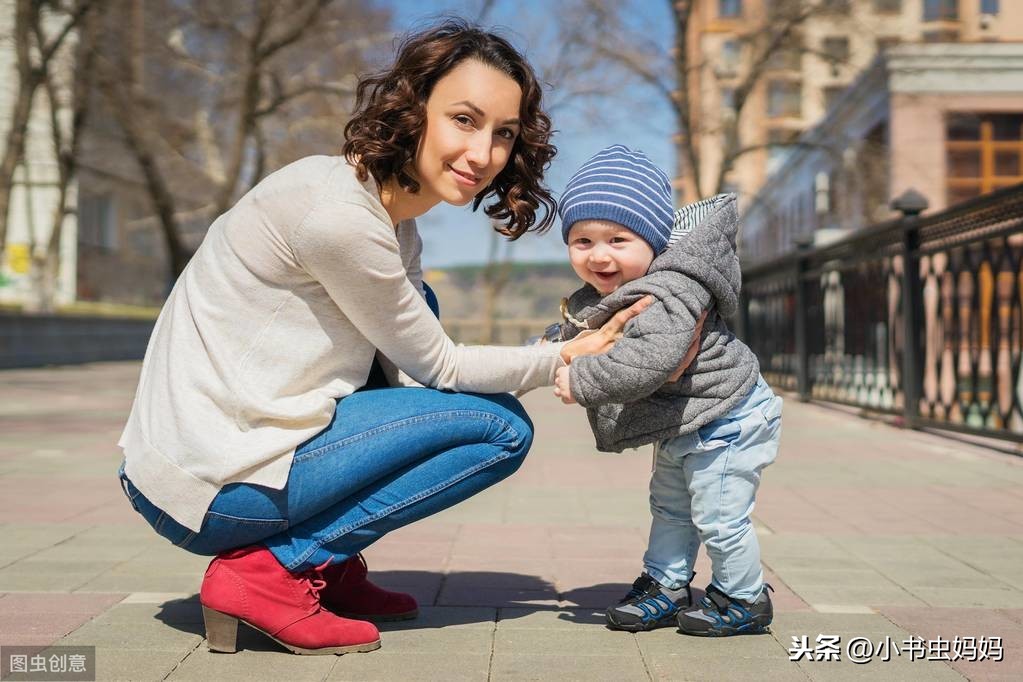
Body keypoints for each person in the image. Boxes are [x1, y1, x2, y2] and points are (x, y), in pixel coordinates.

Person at [115, 22, 650, 657]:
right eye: (463, 119)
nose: (482, 153)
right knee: (500, 429)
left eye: (502, 133)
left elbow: (408, 369)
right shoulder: (338, 215)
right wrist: (562, 355)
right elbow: (438, 363)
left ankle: (332, 568)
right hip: (209, 485)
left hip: (224, 459)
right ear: (412, 106)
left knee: (428, 325)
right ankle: (270, 571)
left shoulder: (390, 219)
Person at [550, 145, 784, 637]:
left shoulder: (673, 289)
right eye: (582, 240)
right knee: (671, 508)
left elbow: (652, 359)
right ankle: (667, 584)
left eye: (618, 238)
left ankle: (743, 597)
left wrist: (582, 381)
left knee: (720, 516)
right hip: (688, 421)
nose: (599, 254)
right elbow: (584, 331)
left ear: (654, 242)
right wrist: (551, 349)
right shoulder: (619, 291)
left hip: (728, 418)